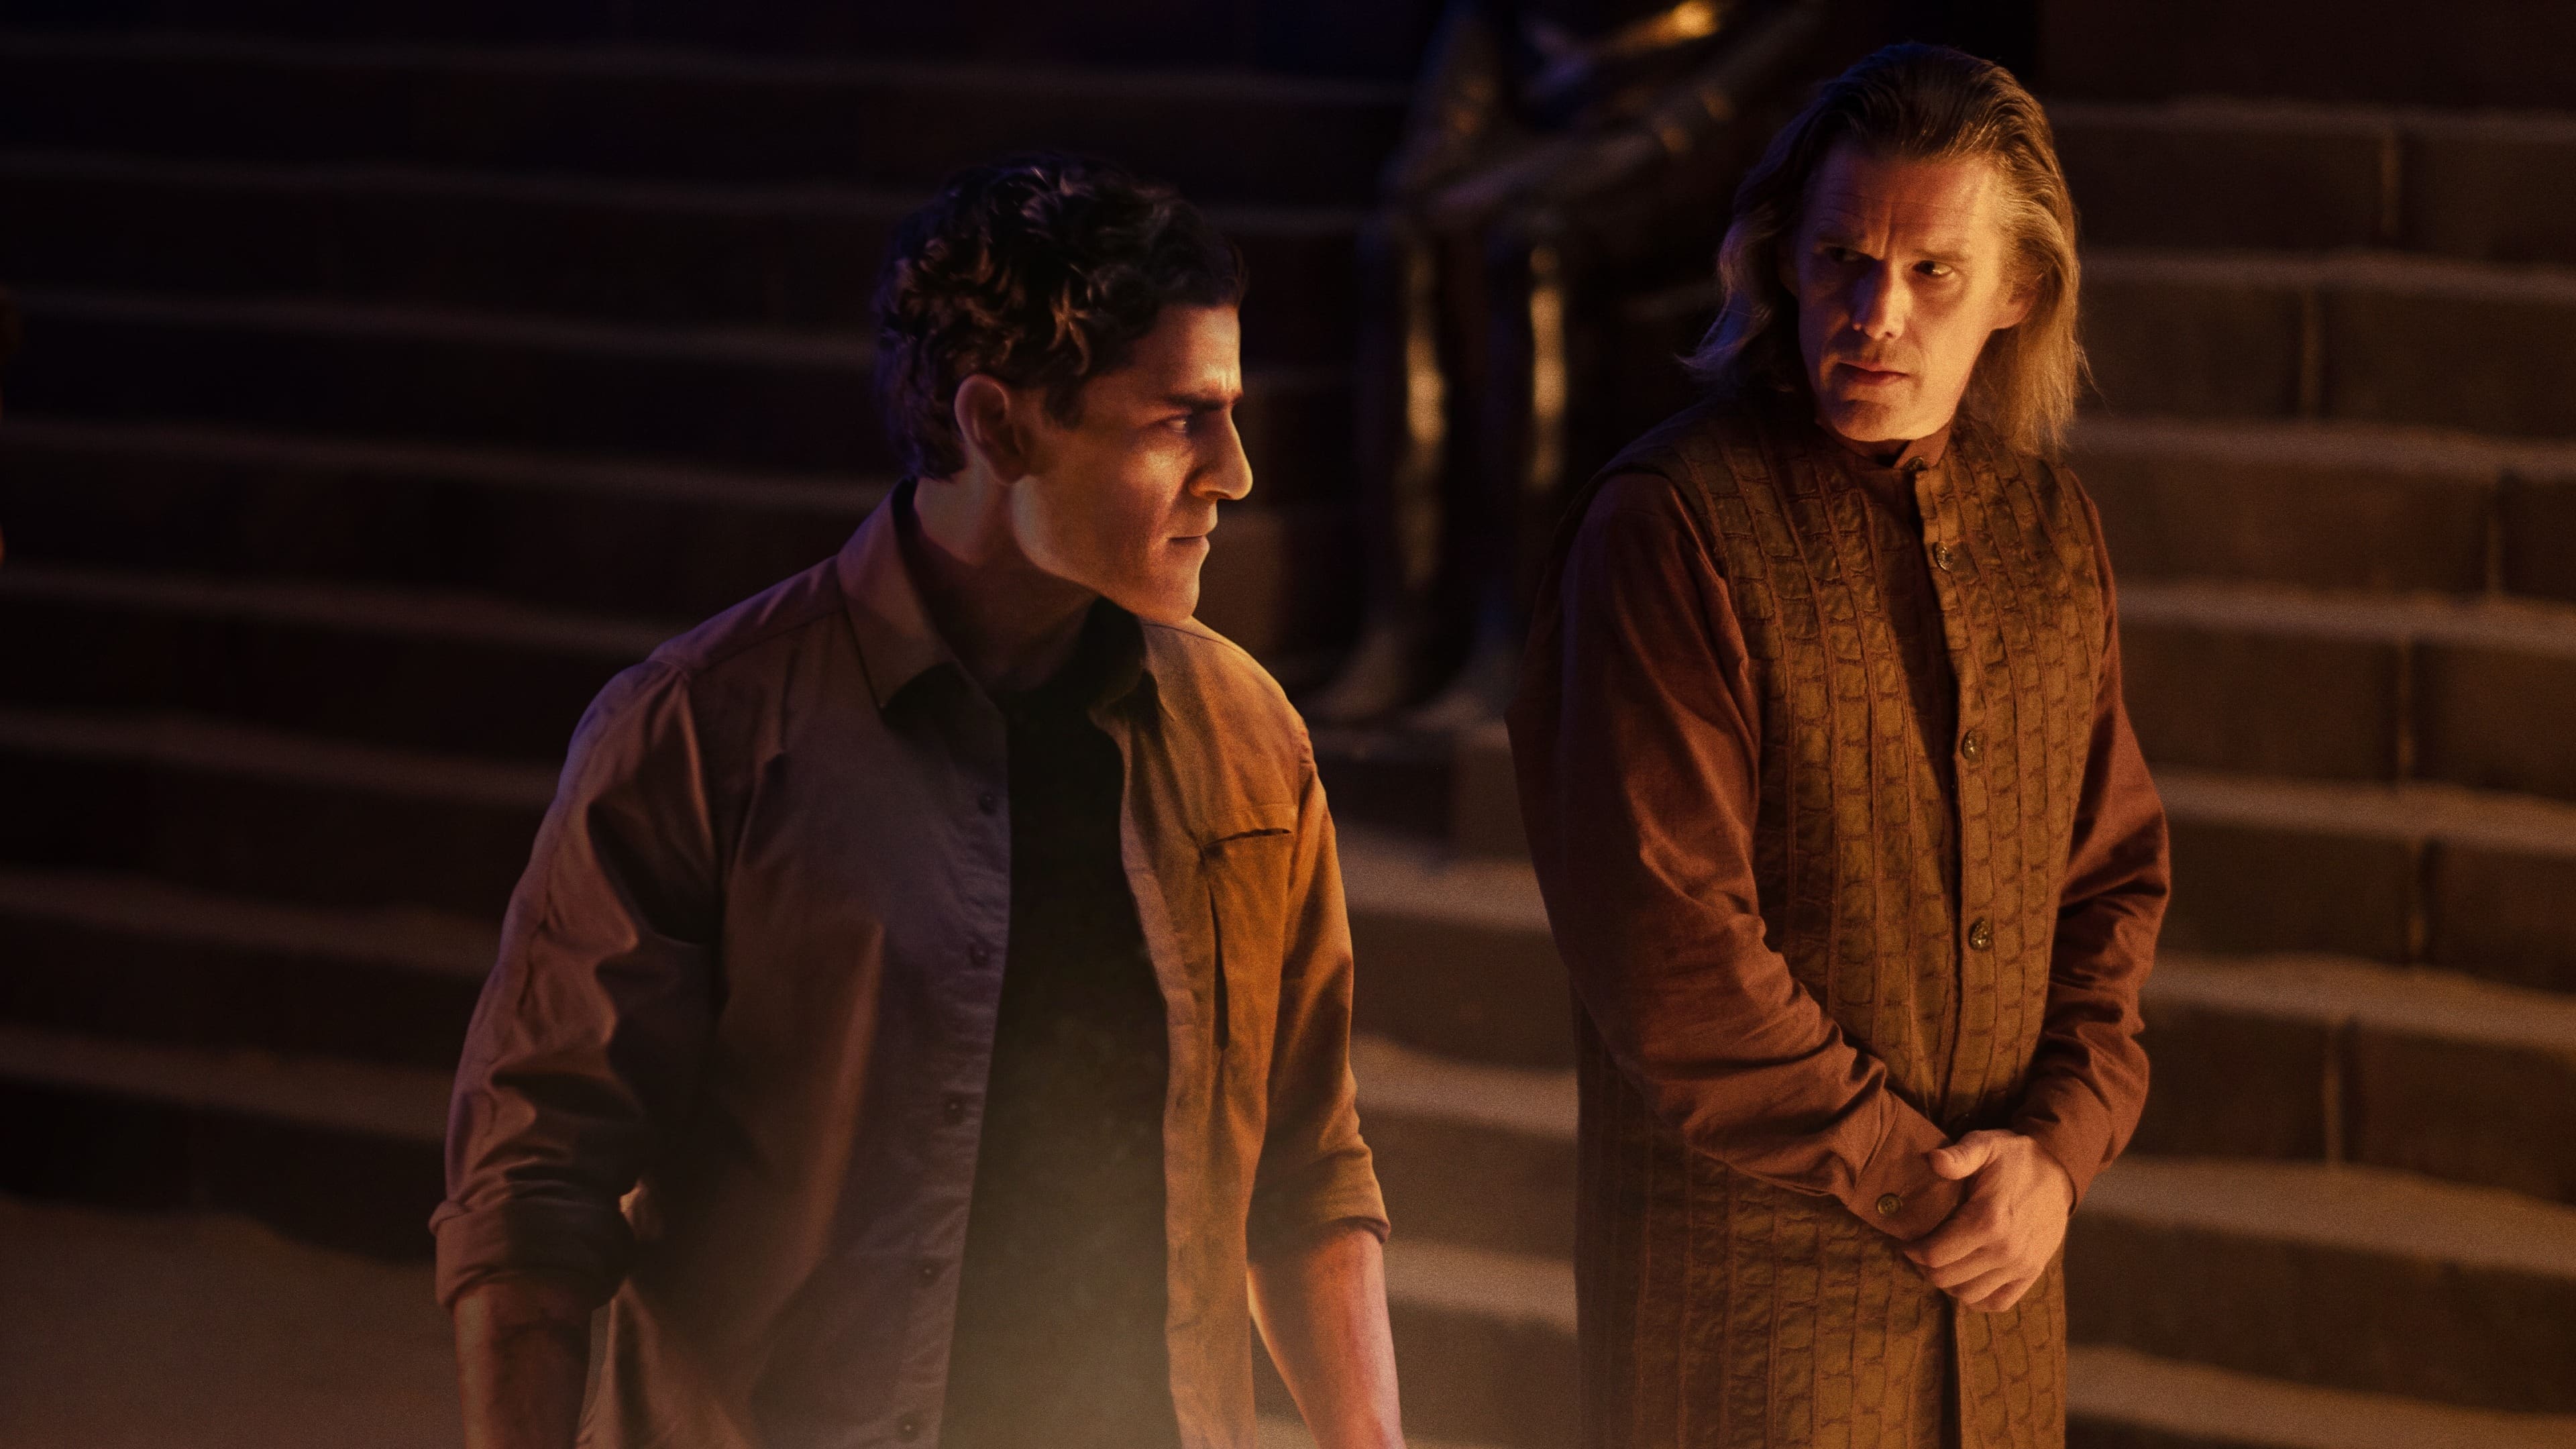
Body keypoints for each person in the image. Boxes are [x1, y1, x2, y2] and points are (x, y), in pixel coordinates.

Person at [435, 155, 1405, 1449]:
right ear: (997, 426)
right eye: (1180, 420)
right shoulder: (700, 733)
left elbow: (1309, 1168)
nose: (1232, 472)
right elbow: (532, 1194)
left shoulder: (1248, 739)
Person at [1507, 44, 2168, 1448]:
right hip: (1749, 1336)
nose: (1876, 314)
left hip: (1997, 1329)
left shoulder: (2052, 533)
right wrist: (1932, 1189)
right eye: (1840, 262)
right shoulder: (1670, 527)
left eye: (1933, 272)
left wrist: (2058, 1154)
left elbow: (2110, 881)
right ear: (1782, 264)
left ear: (2019, 291)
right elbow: (1673, 954)